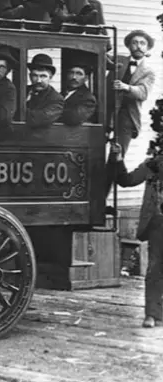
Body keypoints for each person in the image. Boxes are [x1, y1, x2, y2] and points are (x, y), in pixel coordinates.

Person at [109, 140, 163, 328]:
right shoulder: (152, 166)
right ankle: (152, 314)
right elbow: (126, 180)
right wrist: (117, 159)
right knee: (155, 267)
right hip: (158, 223)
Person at [109, 30, 156, 156]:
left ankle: (114, 175)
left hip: (128, 115)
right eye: (134, 43)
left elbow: (143, 93)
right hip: (107, 111)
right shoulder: (118, 60)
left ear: (147, 48)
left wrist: (126, 87)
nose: (139, 46)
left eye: (142, 43)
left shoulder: (148, 72)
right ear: (129, 46)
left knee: (118, 154)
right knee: (94, 148)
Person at [26, 53, 65, 127]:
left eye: (43, 76)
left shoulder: (56, 99)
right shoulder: (22, 91)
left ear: (50, 77)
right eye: (35, 75)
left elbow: (39, 119)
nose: (38, 80)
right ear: (30, 76)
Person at [59, 60, 97, 126]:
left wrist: (51, 111)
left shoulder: (88, 98)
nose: (74, 77)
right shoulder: (62, 94)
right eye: (71, 73)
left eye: (79, 74)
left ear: (86, 78)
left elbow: (73, 118)